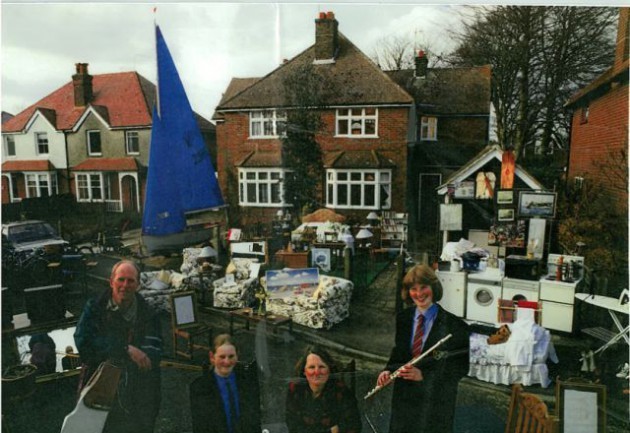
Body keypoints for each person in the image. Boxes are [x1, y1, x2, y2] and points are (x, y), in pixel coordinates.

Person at [376, 264, 469, 433]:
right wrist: (388, 370)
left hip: (434, 401)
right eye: (413, 289)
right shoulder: (403, 318)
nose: (419, 294)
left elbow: (460, 368)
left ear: (433, 287)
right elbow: (399, 352)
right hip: (405, 398)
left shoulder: (455, 326)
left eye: (424, 287)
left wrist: (424, 376)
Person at [74, 260, 162, 433]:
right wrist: (125, 349)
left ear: (138, 284)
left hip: (140, 390)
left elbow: (155, 349)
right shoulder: (95, 308)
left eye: (131, 281)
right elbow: (83, 342)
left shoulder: (149, 313)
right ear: (111, 281)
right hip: (102, 388)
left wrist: (145, 357)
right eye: (121, 279)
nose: (125, 285)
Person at [189, 334, 261, 433]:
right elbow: (201, 427)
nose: (227, 362)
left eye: (231, 356)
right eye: (222, 357)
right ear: (212, 357)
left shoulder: (247, 382)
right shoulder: (199, 387)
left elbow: (255, 420)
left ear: (237, 356)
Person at [285, 345, 361, 433]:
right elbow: (293, 426)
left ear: (329, 370)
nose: (317, 372)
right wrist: (331, 431)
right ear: (304, 371)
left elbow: (354, 426)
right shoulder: (295, 389)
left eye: (321, 367)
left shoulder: (341, 391)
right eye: (311, 367)